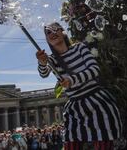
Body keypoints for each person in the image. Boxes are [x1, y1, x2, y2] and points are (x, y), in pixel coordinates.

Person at [36, 22, 122, 150]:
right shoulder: (52, 60)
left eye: (55, 29)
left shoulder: (79, 48)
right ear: (47, 39)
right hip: (75, 108)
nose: (52, 33)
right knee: (70, 144)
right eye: (48, 32)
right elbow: (43, 74)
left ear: (62, 31)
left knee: (103, 144)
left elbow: (94, 69)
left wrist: (72, 80)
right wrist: (42, 62)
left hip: (97, 102)